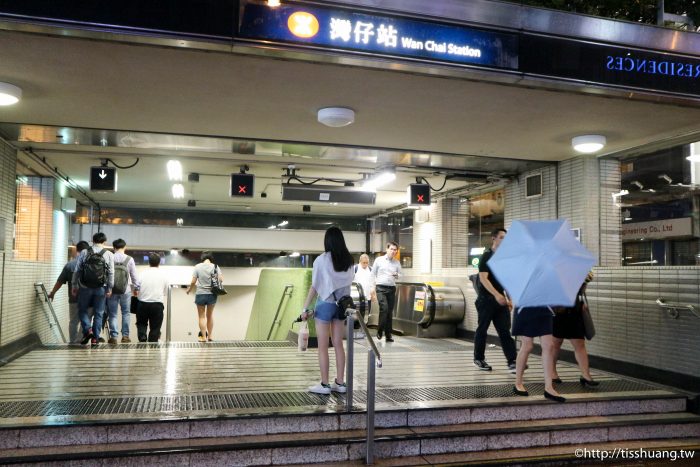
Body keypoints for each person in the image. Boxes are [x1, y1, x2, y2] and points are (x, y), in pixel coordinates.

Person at [301, 226, 355, 395]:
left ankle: (324, 385)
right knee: (338, 344)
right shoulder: (349, 260)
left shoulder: (321, 260)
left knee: (323, 346)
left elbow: (315, 286)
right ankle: (340, 382)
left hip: (325, 305)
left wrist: (305, 308)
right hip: (341, 306)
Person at [473, 228, 517, 371]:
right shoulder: (486, 256)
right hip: (486, 300)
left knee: (504, 331)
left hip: (501, 302)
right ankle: (479, 359)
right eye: (502, 237)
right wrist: (497, 295)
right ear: (494, 238)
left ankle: (512, 361)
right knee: (482, 330)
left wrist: (510, 299)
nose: (504, 241)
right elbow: (483, 279)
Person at [551, 272, 599, 387]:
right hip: (558, 310)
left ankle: (586, 375)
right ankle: (552, 372)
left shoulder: (576, 269)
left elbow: (581, 291)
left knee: (579, 343)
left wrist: (585, 280)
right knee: (556, 343)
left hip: (574, 310)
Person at [512, 305, 566, 403]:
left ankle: (549, 387)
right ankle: (518, 383)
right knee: (527, 346)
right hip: (526, 307)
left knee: (549, 346)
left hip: (545, 308)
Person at [71, 232, 115, 348]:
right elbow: (111, 272)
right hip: (101, 287)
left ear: (93, 240)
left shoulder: (85, 252)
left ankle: (87, 329)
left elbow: (77, 269)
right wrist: (110, 288)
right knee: (99, 313)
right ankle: (95, 338)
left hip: (85, 287)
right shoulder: (109, 254)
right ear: (104, 241)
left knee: (82, 309)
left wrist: (74, 285)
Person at [48, 240, 89, 343]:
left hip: (74, 298)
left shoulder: (70, 265)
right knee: (87, 320)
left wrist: (53, 293)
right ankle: (81, 340)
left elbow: (60, 281)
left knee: (73, 321)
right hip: (89, 298)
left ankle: (73, 341)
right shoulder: (91, 264)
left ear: (77, 250)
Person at [106, 238, 140, 344]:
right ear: (125, 247)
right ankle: (125, 336)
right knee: (126, 313)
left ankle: (114, 336)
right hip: (126, 290)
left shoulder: (110, 257)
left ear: (114, 247)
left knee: (113, 314)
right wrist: (136, 288)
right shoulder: (129, 259)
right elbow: (134, 276)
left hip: (111, 290)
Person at [186, 251, 223, 342]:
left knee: (202, 316)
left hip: (200, 294)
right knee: (210, 316)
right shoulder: (215, 266)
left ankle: (204, 337)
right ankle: (210, 336)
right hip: (212, 294)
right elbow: (221, 279)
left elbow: (193, 281)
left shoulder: (198, 266)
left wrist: (189, 289)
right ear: (211, 258)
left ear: (202, 258)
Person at [372, 242, 401, 342]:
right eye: (392, 249)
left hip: (391, 288)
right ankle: (380, 331)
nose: (393, 251)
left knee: (389, 312)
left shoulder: (397, 262)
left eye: (395, 250)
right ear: (387, 249)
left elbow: (400, 275)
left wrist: (396, 275)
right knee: (384, 308)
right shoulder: (379, 260)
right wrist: (372, 288)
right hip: (380, 288)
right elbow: (372, 274)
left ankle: (388, 335)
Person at [136, 252, 169, 342]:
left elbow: (136, 288)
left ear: (149, 262)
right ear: (159, 262)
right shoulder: (163, 275)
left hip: (142, 303)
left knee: (141, 324)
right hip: (157, 304)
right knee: (155, 326)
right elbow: (166, 291)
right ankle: (153, 344)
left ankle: (142, 339)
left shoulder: (142, 274)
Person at [353, 253, 376, 319]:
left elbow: (373, 282)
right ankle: (356, 325)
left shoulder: (371, 269)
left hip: (367, 296)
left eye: (367, 262)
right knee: (356, 312)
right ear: (360, 261)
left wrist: (373, 294)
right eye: (364, 262)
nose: (365, 264)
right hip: (357, 297)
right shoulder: (355, 268)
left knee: (366, 313)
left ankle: (365, 325)